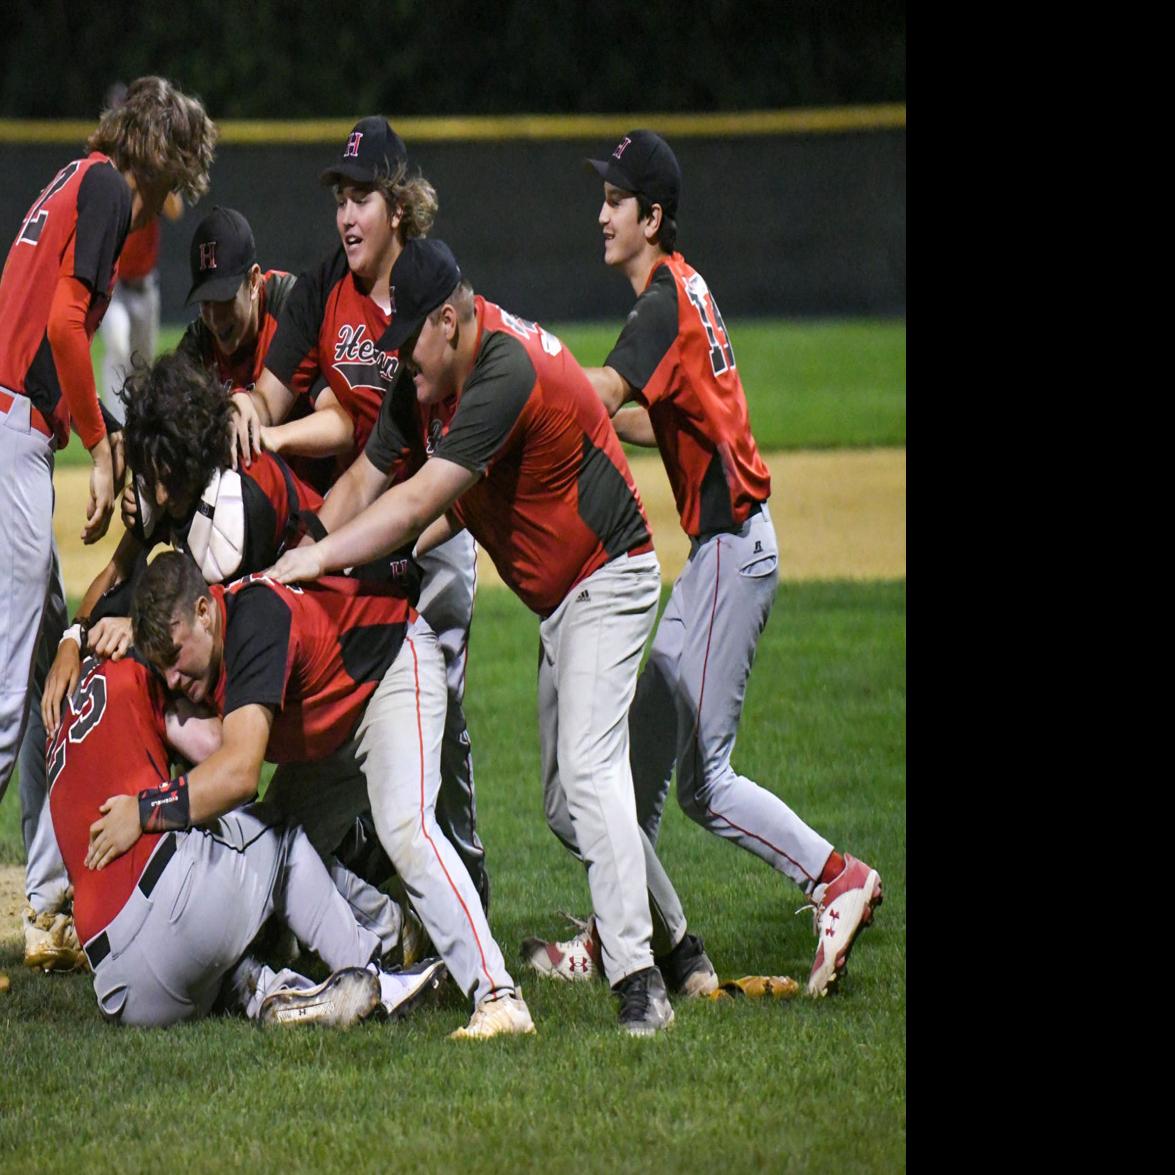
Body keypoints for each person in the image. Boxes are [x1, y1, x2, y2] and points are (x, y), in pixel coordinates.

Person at [267, 238, 709, 1035]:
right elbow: (369, 481)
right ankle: (680, 945)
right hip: (562, 597)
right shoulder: (432, 373)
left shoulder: (500, 369)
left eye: (410, 343)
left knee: (586, 771)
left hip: (610, 576)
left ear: (449, 318)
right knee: (568, 805)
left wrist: (322, 556)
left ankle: (640, 980)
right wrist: (286, 559)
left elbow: (410, 508)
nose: (402, 362)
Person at [573, 129, 883, 997]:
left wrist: (535, 378)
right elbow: (657, 419)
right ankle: (611, 932)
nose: (601, 214)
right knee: (639, 753)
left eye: (615, 201)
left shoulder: (660, 302)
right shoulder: (686, 285)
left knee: (703, 784)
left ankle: (835, 878)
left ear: (653, 215)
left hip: (729, 554)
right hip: (724, 552)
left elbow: (601, 396)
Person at [111, 551, 533, 1040]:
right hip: (334, 724)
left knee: (406, 830)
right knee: (273, 848)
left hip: (390, 673)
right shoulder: (200, 641)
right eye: (161, 666)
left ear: (206, 612)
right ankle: (396, 934)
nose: (172, 679)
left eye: (177, 658)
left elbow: (239, 773)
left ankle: (499, 998)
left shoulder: (253, 622)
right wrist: (76, 637)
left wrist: (145, 811)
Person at [232, 118, 488, 912]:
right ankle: (342, 871)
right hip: (348, 534)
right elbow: (272, 396)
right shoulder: (320, 291)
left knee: (437, 734)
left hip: (433, 532)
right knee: (338, 716)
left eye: (363, 196)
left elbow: (445, 458)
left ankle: (461, 888)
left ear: (398, 208)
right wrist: (246, 406)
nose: (346, 214)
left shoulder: (433, 294)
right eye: (340, 197)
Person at [0, 75, 217, 970]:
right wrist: (104, 443)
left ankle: (46, 900)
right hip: (11, 432)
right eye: (181, 165)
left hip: (12, 428)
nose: (176, 188)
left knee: (61, 649)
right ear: (160, 150)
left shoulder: (74, 174)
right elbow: (61, 325)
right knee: (10, 697)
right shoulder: (102, 188)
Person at [51, 648, 447, 1027]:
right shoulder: (133, 671)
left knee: (215, 916)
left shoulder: (60, 709)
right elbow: (218, 755)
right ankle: (375, 973)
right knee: (281, 835)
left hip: (121, 989)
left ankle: (269, 992)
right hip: (172, 910)